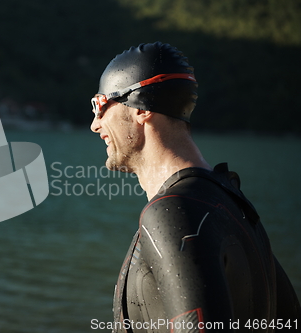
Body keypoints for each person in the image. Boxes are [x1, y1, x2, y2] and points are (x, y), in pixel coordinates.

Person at [90, 42, 300, 333]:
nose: (94, 124)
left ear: (140, 108)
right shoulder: (234, 205)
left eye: (100, 105)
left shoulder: (173, 214)